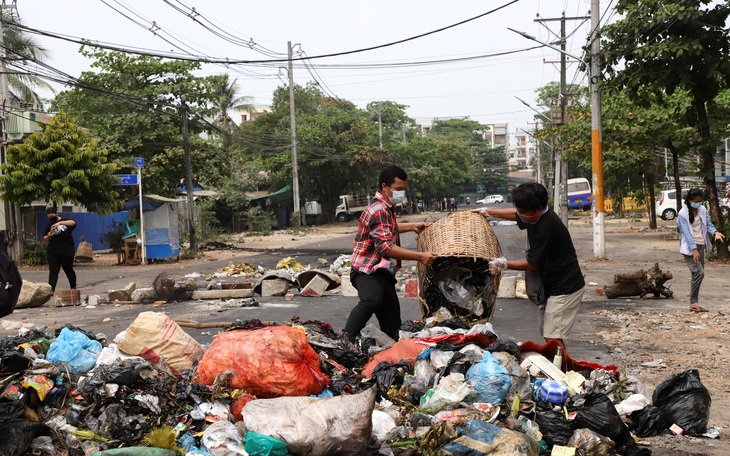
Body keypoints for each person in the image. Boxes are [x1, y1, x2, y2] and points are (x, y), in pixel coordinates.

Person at [475, 182, 585, 350]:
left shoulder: (546, 226)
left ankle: (564, 372)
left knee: (553, 335)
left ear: (539, 208)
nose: (521, 214)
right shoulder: (535, 217)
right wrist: (488, 212)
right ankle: (559, 367)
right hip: (550, 285)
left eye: (524, 211)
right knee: (547, 331)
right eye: (519, 209)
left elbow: (532, 264)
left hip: (565, 287)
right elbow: (516, 215)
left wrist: (503, 263)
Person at [345, 166, 438, 342]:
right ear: (385, 186)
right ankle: (345, 339)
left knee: (392, 323)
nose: (401, 193)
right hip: (367, 270)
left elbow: (387, 229)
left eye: (404, 189)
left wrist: (412, 226)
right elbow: (385, 248)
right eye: (398, 190)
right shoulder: (379, 209)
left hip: (382, 271)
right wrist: (420, 256)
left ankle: (387, 350)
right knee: (372, 300)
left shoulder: (386, 206)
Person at [676, 188, 725, 312]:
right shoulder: (682, 213)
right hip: (689, 248)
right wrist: (694, 249)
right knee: (699, 273)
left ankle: (694, 303)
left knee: (697, 275)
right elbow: (686, 233)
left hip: (701, 245)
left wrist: (715, 232)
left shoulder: (702, 210)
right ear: (689, 200)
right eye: (696, 201)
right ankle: (693, 302)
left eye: (700, 201)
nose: (698, 203)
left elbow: (708, 224)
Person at [43, 207, 77, 292]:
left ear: (56, 213)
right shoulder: (49, 225)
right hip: (53, 251)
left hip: (66, 250)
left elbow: (73, 223)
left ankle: (73, 287)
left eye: (52, 216)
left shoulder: (65, 221)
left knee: (68, 270)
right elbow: (45, 237)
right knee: (53, 271)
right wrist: (50, 235)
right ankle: (51, 290)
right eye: (49, 216)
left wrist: (60, 223)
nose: (51, 218)